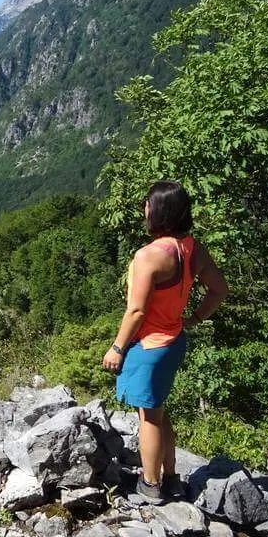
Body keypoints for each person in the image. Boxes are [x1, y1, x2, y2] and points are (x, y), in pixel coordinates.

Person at [101, 181, 228, 502]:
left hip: (150, 347)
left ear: (158, 211)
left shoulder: (149, 257)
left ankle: (151, 484)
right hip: (174, 340)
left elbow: (137, 310)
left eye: (147, 203)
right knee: (158, 411)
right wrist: (195, 319)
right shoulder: (192, 249)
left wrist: (117, 348)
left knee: (149, 417)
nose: (144, 208)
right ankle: (171, 478)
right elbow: (219, 289)